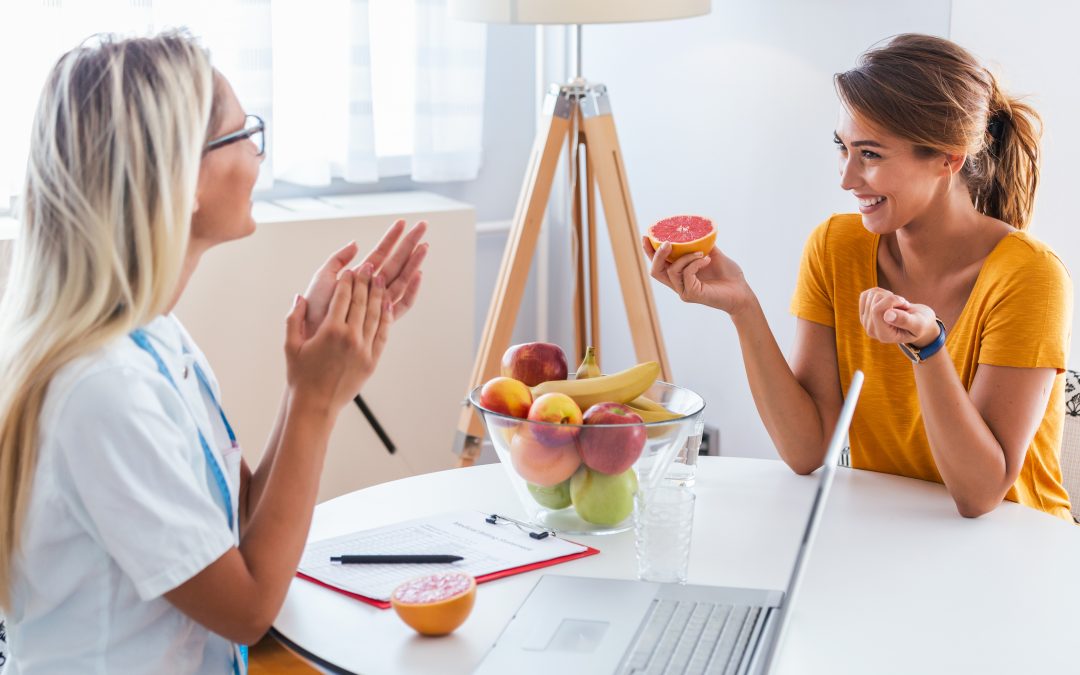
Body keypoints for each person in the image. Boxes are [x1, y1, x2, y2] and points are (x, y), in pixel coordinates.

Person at [0, 32, 428, 672]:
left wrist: (308, 382)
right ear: (182, 173)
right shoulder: (102, 390)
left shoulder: (156, 336)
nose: (257, 152)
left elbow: (237, 527)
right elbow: (248, 609)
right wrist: (315, 401)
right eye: (242, 133)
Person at [644, 33, 1073, 521]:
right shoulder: (835, 247)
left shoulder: (1029, 276)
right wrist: (742, 307)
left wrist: (930, 349)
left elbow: (979, 494)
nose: (847, 178)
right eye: (842, 148)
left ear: (948, 159)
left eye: (870, 154)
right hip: (889, 529)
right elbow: (807, 450)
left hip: (1021, 546)